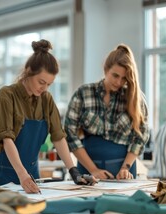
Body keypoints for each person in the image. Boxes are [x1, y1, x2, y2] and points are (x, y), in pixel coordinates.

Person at [0, 39, 95, 193]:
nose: (44, 88)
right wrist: (22, 174)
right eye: (41, 82)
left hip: (31, 175)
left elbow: (58, 137)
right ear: (29, 71)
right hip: (5, 173)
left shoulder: (46, 99)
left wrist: (73, 170)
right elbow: (7, 139)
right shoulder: (7, 94)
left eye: (49, 84)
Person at [64, 44, 150, 180]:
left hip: (123, 175)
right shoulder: (83, 94)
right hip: (88, 171)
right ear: (105, 69)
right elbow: (70, 134)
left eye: (124, 78)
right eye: (115, 75)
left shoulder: (135, 99)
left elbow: (140, 137)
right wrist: (93, 170)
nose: (119, 82)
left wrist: (125, 168)